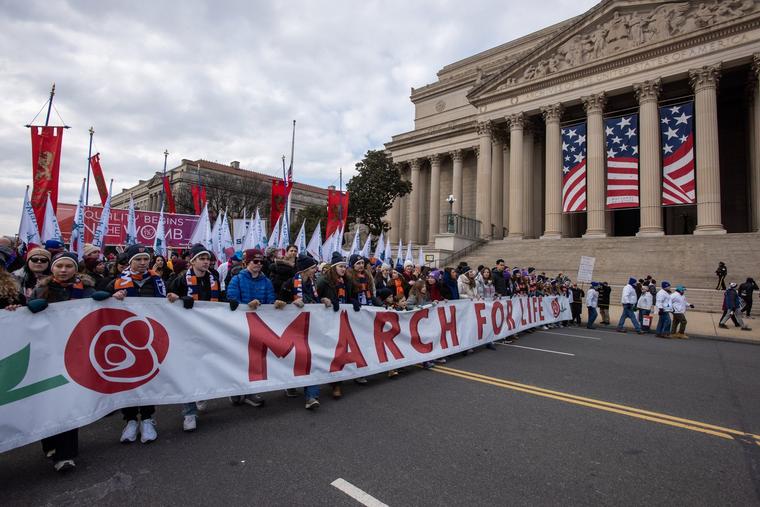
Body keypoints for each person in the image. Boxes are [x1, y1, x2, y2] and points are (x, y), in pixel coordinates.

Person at [21, 251, 99, 472]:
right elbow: (22, 319)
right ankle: (50, 444)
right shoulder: (40, 290)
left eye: (68, 266)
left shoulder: (87, 291)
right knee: (47, 400)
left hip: (75, 353)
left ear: (76, 269)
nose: (63, 270)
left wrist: (110, 299)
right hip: (46, 353)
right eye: (59, 266)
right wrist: (26, 309)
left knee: (66, 402)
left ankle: (66, 454)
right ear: (52, 268)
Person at [108, 244, 167, 444]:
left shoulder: (157, 280)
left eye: (145, 259)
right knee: (128, 380)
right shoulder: (117, 282)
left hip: (150, 337)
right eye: (138, 260)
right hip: (124, 339)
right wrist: (111, 297)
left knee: (149, 377)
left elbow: (164, 305)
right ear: (130, 261)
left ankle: (148, 418)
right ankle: (131, 419)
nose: (142, 263)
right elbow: (99, 303)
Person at [166, 244, 221, 431]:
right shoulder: (180, 280)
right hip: (186, 332)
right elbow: (168, 300)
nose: (206, 262)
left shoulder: (215, 278)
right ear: (193, 261)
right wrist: (180, 299)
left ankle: (202, 394)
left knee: (206, 365)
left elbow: (217, 301)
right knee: (188, 370)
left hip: (207, 330)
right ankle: (189, 413)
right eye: (202, 259)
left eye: (208, 259)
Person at [277, 253, 330, 409]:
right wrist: (291, 302)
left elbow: (313, 300)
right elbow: (278, 304)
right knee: (294, 359)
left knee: (312, 359)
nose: (316, 270)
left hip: (311, 327)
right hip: (293, 329)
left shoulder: (313, 284)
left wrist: (323, 301)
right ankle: (291, 384)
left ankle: (311, 396)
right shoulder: (289, 283)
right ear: (306, 270)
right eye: (314, 268)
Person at [226, 248, 275, 406]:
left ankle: (251, 391)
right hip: (240, 326)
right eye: (255, 261)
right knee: (238, 359)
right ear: (246, 262)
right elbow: (231, 301)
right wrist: (246, 306)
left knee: (255, 359)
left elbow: (270, 301)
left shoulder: (266, 281)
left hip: (259, 326)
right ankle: (235, 390)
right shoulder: (237, 279)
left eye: (261, 262)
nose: (259, 264)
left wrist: (276, 305)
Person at [316, 252, 360, 397]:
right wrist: (325, 300)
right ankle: (333, 382)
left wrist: (353, 301)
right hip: (328, 321)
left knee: (341, 351)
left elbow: (352, 295)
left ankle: (337, 383)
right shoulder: (323, 281)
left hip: (343, 320)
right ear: (334, 267)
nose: (343, 269)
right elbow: (315, 299)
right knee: (331, 351)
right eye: (341, 266)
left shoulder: (348, 281)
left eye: (345, 267)